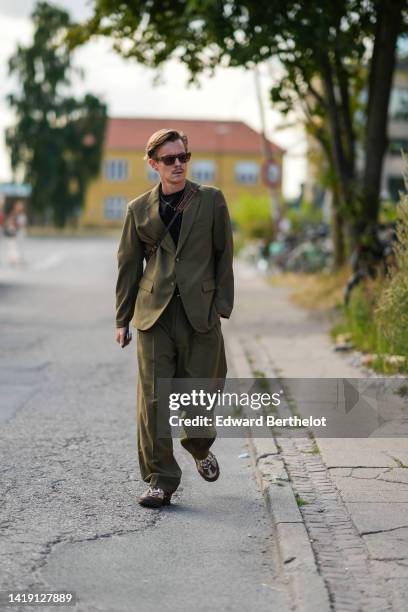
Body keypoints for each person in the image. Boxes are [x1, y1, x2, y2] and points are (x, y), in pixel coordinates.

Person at [115, 128, 234, 508]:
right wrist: (122, 318)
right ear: (154, 164)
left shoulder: (212, 200)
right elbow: (129, 266)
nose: (178, 164)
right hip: (154, 315)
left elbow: (224, 255)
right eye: (169, 159)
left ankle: (199, 448)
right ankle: (160, 480)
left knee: (198, 396)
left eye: (183, 157)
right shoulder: (138, 209)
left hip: (200, 313)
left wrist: (222, 306)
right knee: (153, 399)